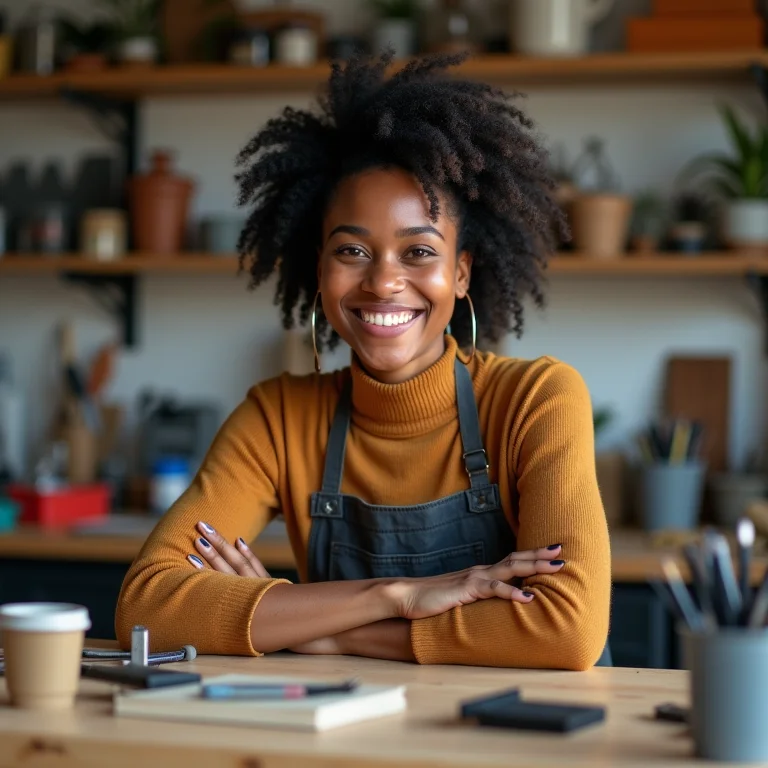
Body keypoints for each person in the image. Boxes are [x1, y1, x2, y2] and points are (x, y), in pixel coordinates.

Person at [116, 51, 611, 670]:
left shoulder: (537, 399)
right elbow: (147, 608)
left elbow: (565, 630)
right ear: (318, 269)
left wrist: (308, 621)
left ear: (460, 274)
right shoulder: (277, 418)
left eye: (418, 252)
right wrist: (394, 597)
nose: (382, 282)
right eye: (352, 250)